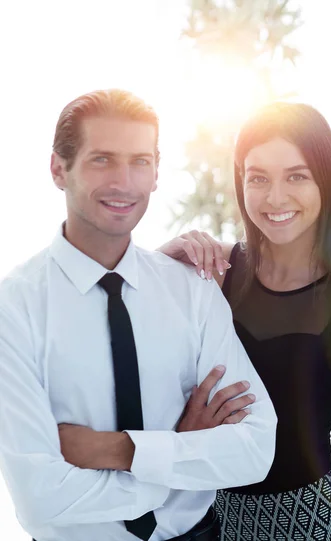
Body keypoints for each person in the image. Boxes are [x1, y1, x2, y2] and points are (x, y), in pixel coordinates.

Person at [0, 89, 277, 541]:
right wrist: (178, 456)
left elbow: (254, 449)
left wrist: (122, 450)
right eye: (102, 160)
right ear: (58, 169)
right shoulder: (14, 308)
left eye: (140, 162)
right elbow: (39, 495)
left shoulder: (192, 291)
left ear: (156, 174)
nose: (124, 182)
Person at [159, 102, 331, 541]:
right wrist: (162, 260)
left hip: (319, 525)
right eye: (258, 178)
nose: (275, 198)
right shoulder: (214, 276)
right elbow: (129, 360)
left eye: (296, 175)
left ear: (326, 181)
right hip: (217, 523)